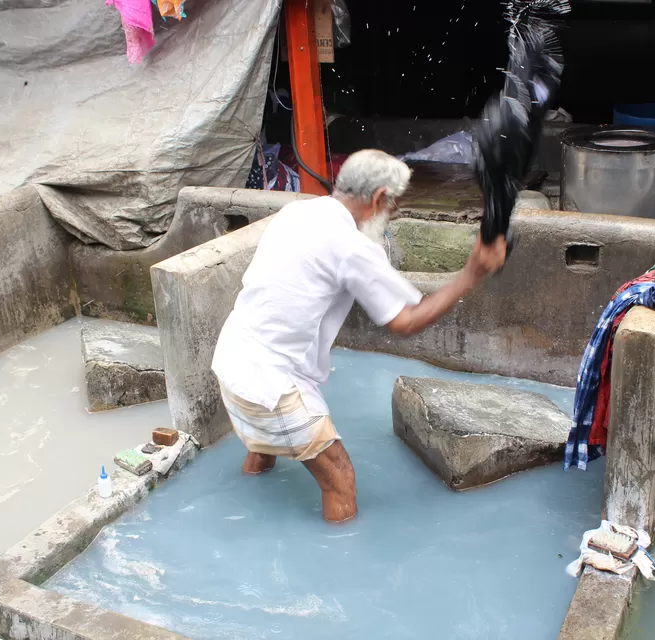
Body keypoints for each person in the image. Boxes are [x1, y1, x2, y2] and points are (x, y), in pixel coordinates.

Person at [211, 149, 507, 523]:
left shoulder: (296, 212)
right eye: (393, 205)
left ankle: (249, 499)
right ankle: (337, 567)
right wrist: (472, 273)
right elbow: (405, 322)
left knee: (263, 443)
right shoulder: (353, 247)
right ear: (380, 198)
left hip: (230, 362)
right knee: (340, 479)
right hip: (272, 384)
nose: (392, 214)